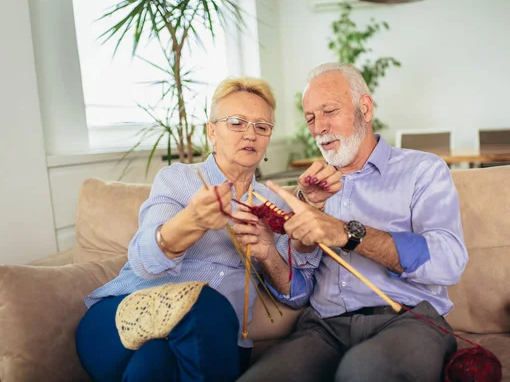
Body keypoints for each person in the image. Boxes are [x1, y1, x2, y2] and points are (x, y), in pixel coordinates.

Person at [75, 76, 340, 382]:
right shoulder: (178, 180)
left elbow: (296, 297)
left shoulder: (275, 205)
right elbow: (143, 261)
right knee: (202, 301)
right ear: (212, 132)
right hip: (120, 320)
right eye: (237, 123)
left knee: (154, 362)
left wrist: (267, 253)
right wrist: (192, 222)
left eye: (261, 126)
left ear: (268, 138)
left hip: (213, 340)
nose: (250, 134)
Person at [239, 62, 469, 382]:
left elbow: (449, 262)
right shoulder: (310, 190)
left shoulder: (424, 171)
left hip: (408, 320)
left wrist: (347, 233)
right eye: (310, 118)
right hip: (323, 328)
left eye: (329, 111)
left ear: (364, 108)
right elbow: (297, 294)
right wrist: (272, 252)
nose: (319, 127)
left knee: (363, 374)